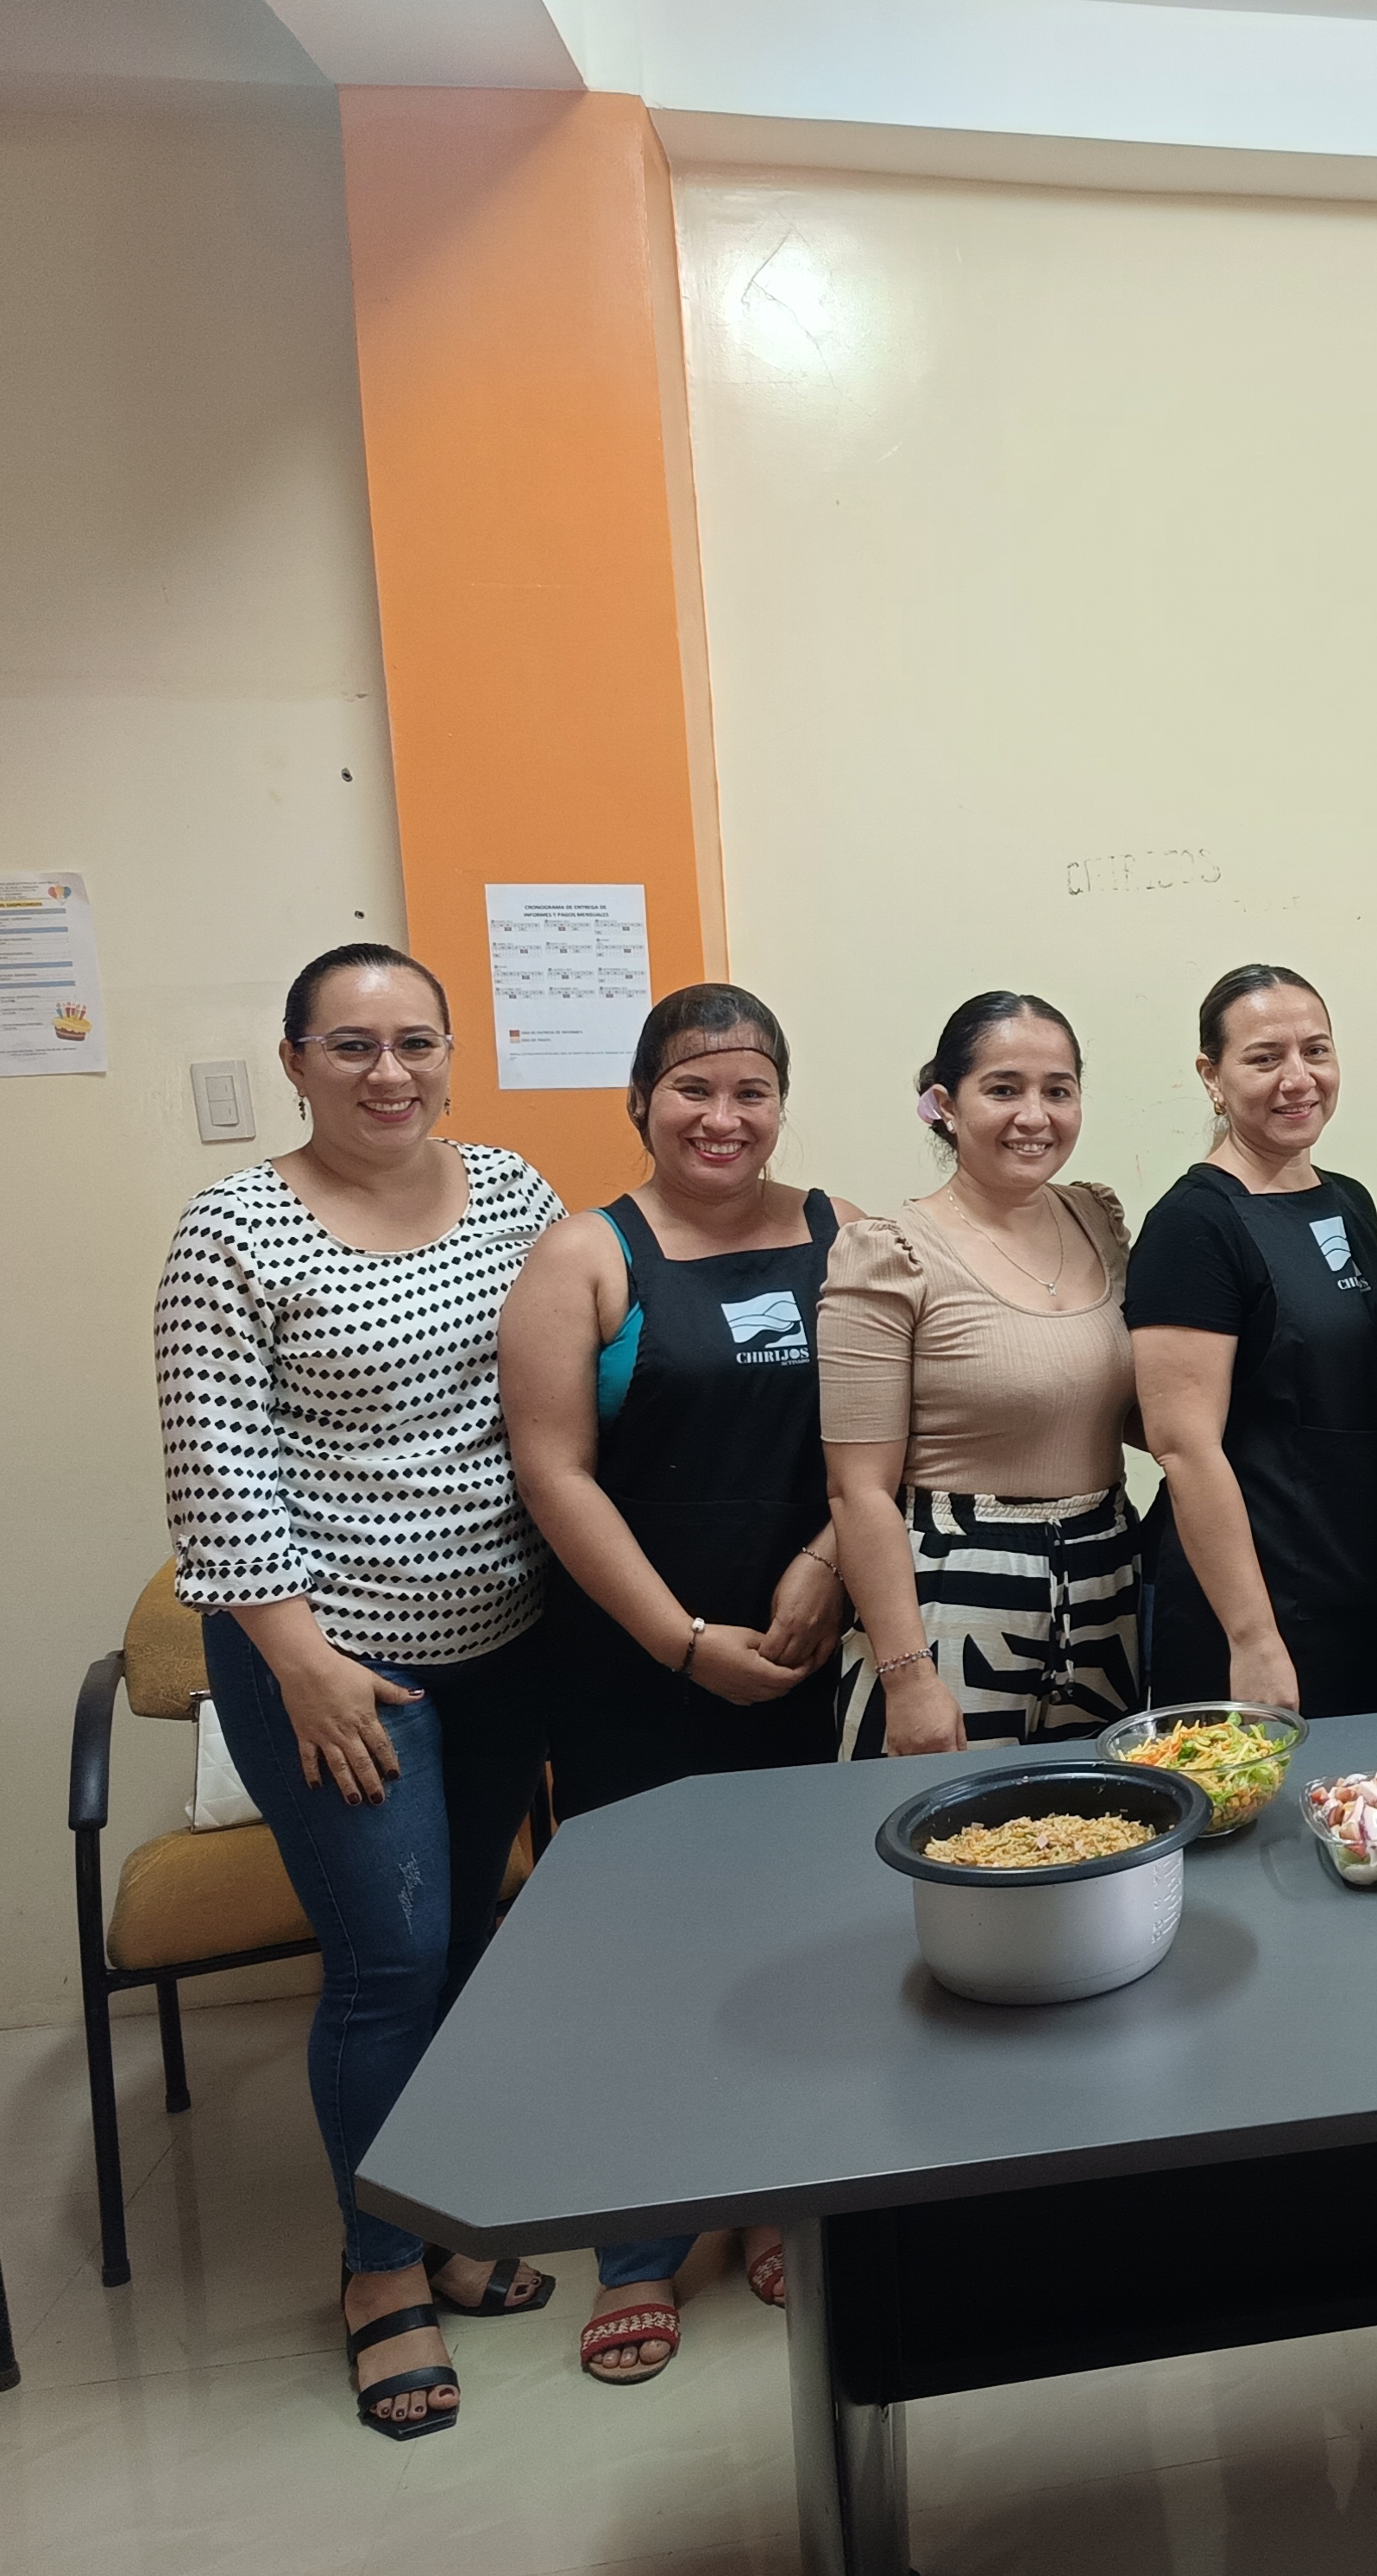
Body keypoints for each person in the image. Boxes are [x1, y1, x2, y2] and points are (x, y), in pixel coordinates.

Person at [152, 942, 563, 2437]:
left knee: (462, 1938)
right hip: (331, 1664)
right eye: (351, 1045)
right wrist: (306, 1666)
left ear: (450, 1052)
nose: (389, 1072)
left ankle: (442, 2212)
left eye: (414, 1042)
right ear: (295, 1062)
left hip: (506, 1636)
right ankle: (380, 2267)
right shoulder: (232, 1232)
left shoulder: (513, 1193)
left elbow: (578, 1370)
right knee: (386, 1962)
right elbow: (217, 1477)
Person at [500, 983, 852, 2380]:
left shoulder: (841, 1234)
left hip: (810, 1650)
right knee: (640, 1955)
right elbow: (553, 1471)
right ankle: (640, 2244)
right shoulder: (586, 1255)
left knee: (800, 1942)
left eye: (751, 1089)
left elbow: (890, 1430)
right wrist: (680, 1640)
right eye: (694, 1088)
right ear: (640, 1102)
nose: (723, 1115)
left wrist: (825, 1564)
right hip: (632, 1666)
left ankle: (774, 2193)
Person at [821, 992, 1144, 1757]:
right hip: (951, 1595)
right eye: (1003, 1089)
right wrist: (907, 1676)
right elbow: (858, 1491)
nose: (1035, 1116)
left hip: (1106, 1582)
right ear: (945, 1104)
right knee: (944, 1823)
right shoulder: (889, 1251)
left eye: (1058, 1090)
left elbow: (1134, 1407)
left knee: (1101, 1819)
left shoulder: (1098, 1221)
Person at [1131, 965, 1377, 1712]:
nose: (1298, 1079)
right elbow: (1184, 1448)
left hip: (1368, 1583)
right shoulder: (1192, 1226)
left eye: (1316, 1051)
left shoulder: (1347, 1199)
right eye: (1265, 1058)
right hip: (1269, 1610)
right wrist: (1254, 1639)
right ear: (1212, 1076)